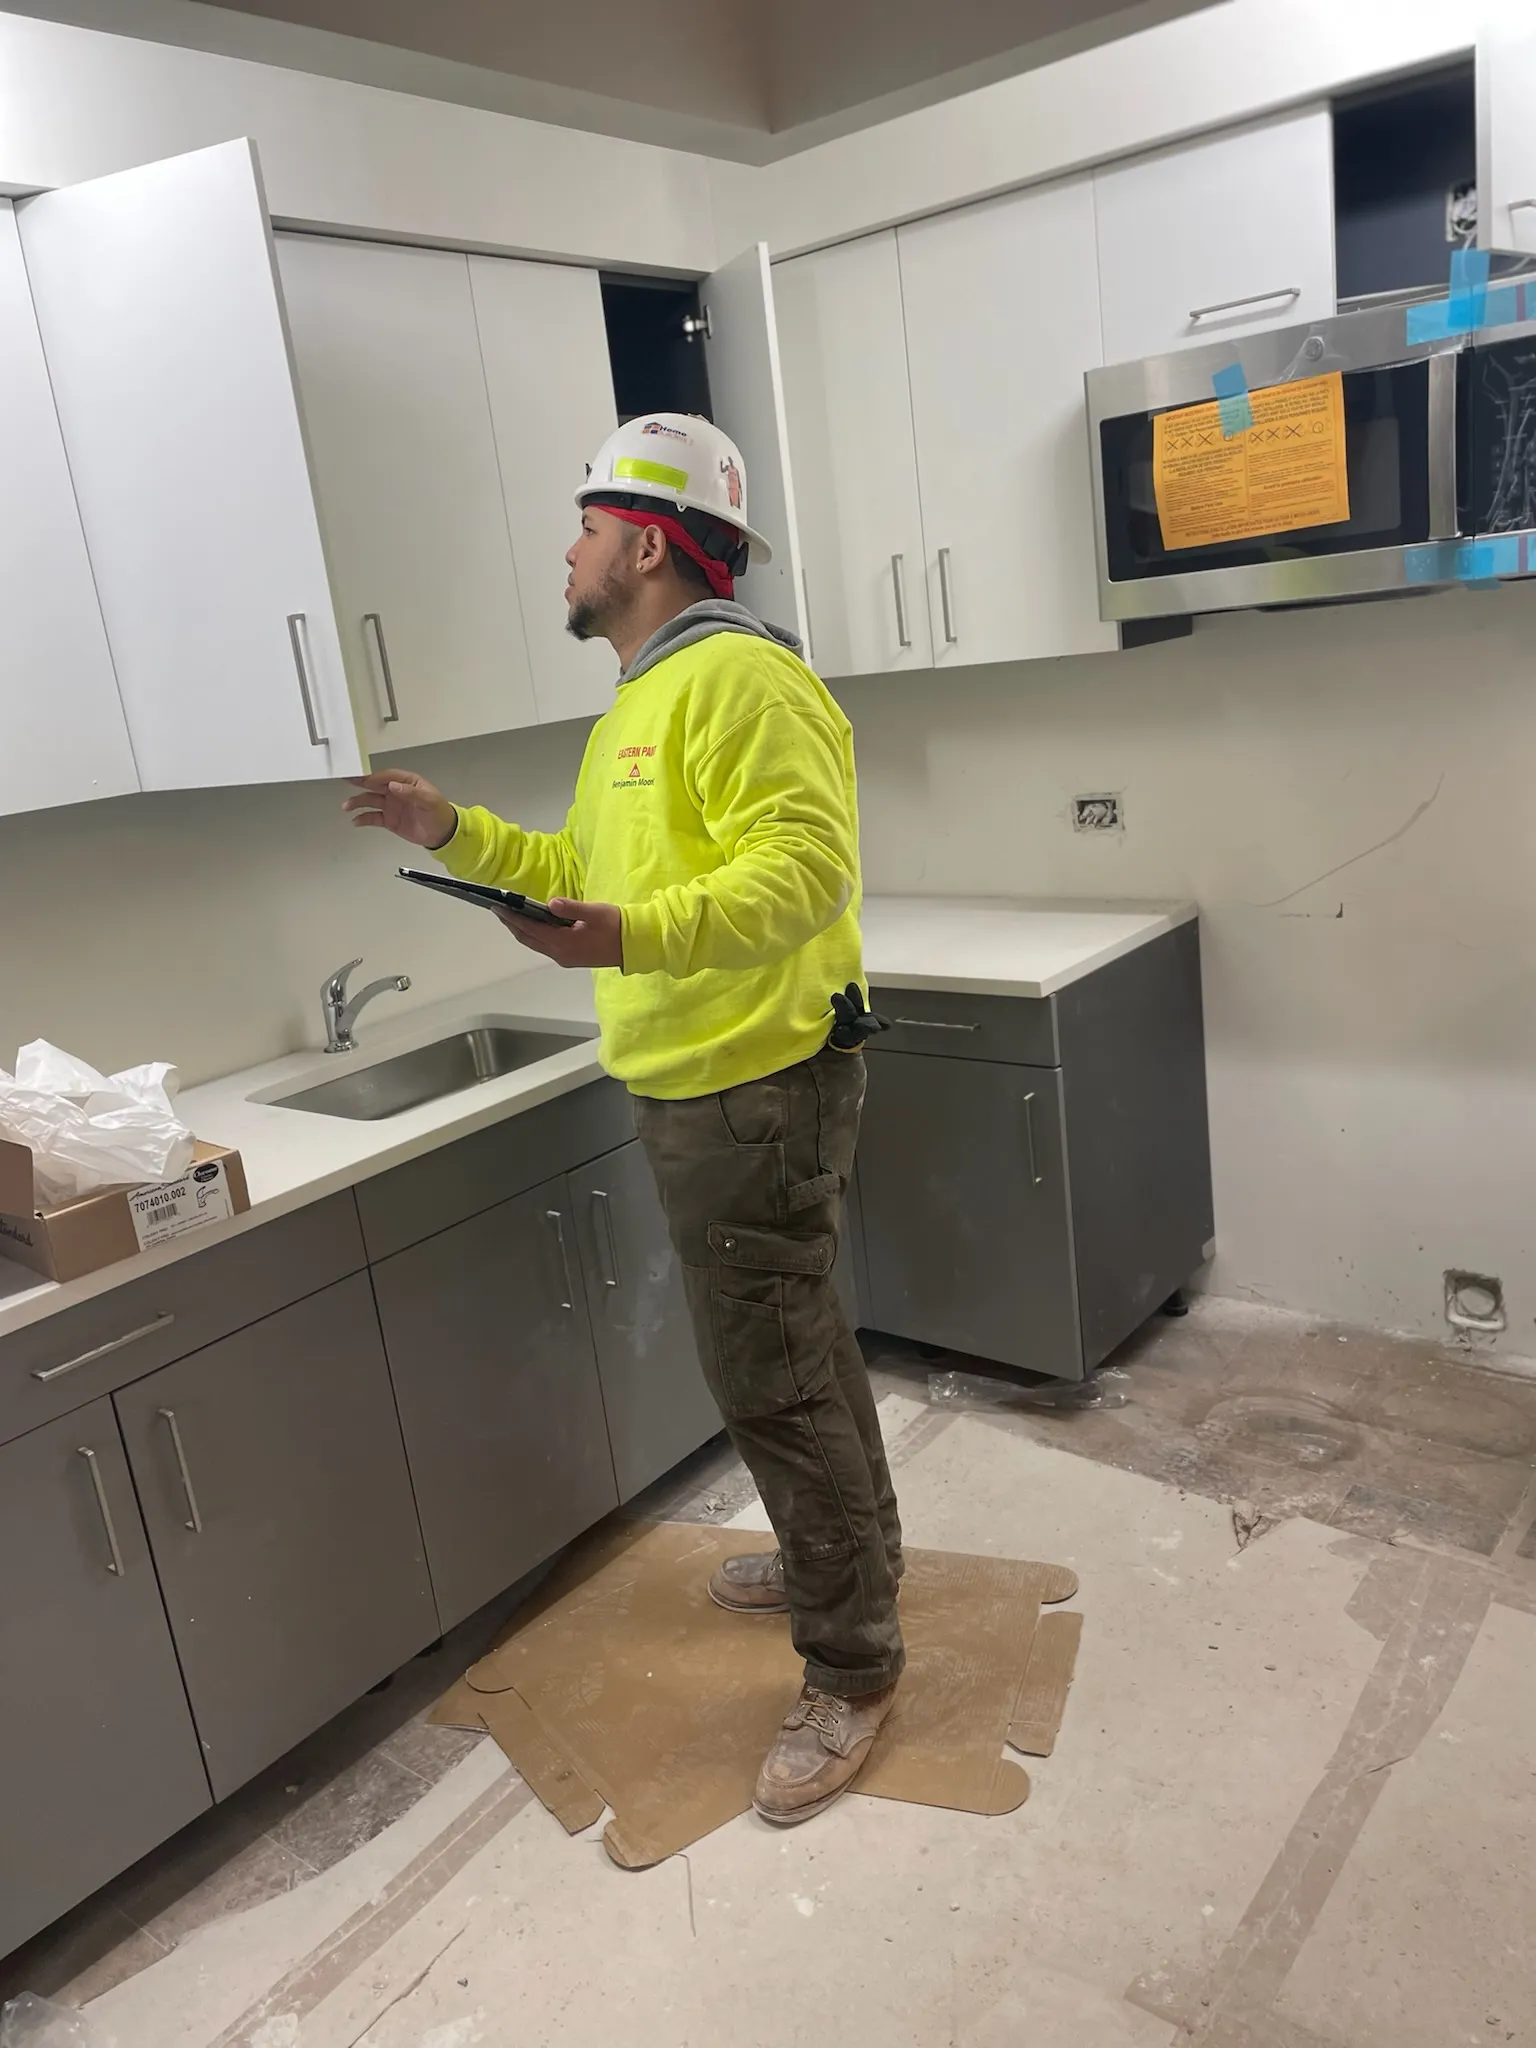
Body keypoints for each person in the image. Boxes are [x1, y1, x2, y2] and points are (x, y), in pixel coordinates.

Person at [344, 412, 904, 1828]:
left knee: (770, 1377)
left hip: (752, 1087)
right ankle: (839, 1556)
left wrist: (630, 936)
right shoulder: (643, 699)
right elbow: (581, 873)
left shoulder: (740, 684)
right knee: (799, 1348)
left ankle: (850, 1666)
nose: (570, 549)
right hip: (706, 1085)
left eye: (587, 527)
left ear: (646, 545)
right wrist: (451, 832)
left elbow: (807, 874)